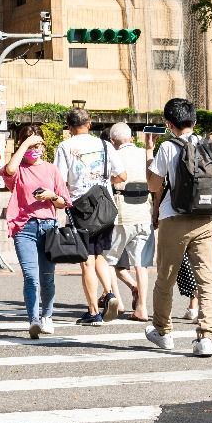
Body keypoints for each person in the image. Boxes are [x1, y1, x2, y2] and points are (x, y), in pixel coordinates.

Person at [144, 98, 212, 357]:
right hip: (207, 218)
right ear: (194, 121)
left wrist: (149, 154)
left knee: (165, 278)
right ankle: (206, 337)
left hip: (174, 218)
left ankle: (163, 332)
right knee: (208, 279)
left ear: (168, 123)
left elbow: (154, 186)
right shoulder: (209, 146)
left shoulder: (167, 146)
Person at [53, 107, 126, 325]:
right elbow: (122, 176)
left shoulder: (65, 146)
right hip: (105, 208)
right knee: (100, 255)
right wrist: (102, 183)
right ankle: (110, 293)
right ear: (90, 123)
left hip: (80, 209)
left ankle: (93, 311)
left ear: (68, 126)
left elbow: (60, 181)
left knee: (86, 262)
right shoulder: (105, 145)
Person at [4, 124, 71, 339]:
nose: (36, 149)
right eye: (32, 144)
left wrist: (52, 196)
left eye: (39, 144)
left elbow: (64, 202)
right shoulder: (20, 168)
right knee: (31, 277)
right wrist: (25, 143)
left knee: (47, 277)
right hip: (24, 228)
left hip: (48, 227)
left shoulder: (51, 169)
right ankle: (33, 319)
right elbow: (10, 170)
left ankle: (47, 316)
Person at [106, 122, 155, 321]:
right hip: (144, 212)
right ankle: (142, 308)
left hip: (121, 214)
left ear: (112, 141)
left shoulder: (113, 156)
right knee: (141, 264)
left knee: (108, 261)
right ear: (131, 139)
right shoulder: (146, 154)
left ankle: (118, 302)